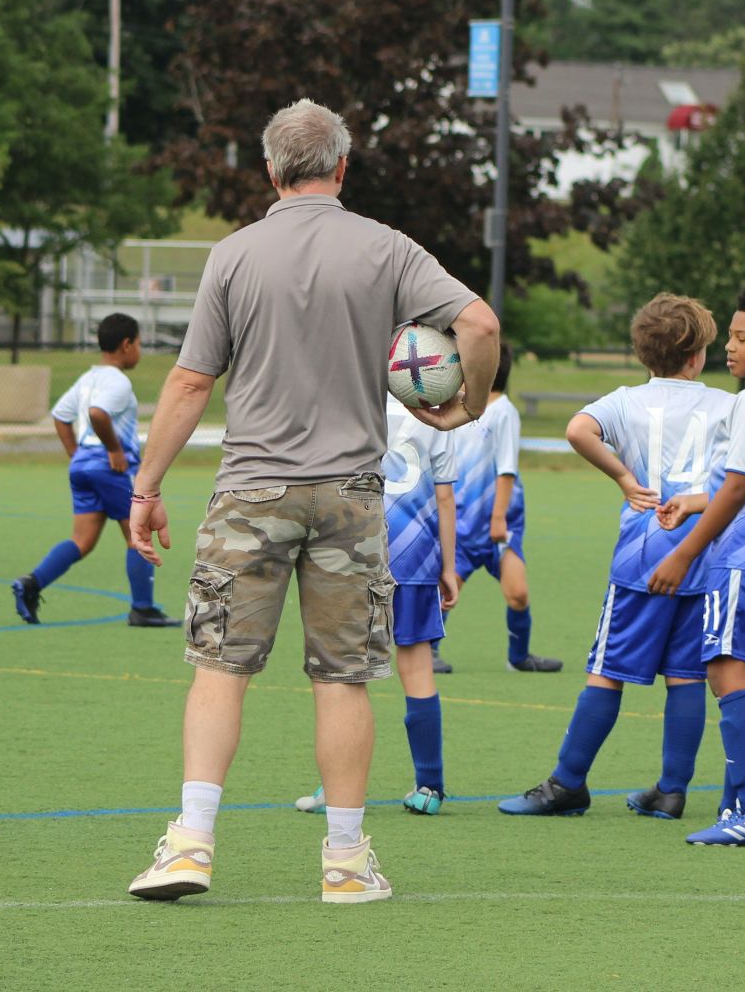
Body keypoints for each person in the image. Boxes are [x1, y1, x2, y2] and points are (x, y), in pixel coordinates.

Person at [122, 99, 499, 904]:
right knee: (343, 678)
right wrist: (468, 403)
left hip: (249, 490)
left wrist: (147, 486)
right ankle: (344, 861)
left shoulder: (233, 254)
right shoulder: (386, 248)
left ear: (269, 170)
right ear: (343, 166)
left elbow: (191, 382)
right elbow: (479, 319)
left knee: (220, 669)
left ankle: (190, 844)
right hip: (351, 494)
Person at [497, 294, 731, 820]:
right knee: (687, 676)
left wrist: (626, 478)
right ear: (697, 356)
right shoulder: (725, 405)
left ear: (644, 355)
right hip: (702, 553)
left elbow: (578, 429)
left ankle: (567, 783)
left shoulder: (625, 400)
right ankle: (671, 790)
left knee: (607, 670)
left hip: (644, 557)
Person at [649, 284, 745, 847]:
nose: (730, 347)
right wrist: (694, 501)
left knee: (721, 667)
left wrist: (683, 552)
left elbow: (739, 487)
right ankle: (737, 801)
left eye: (744, 337)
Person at [297, 396, 462, 816]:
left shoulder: (353, 399)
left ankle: (335, 789)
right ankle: (430, 786)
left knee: (344, 672)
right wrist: (448, 565)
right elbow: (444, 499)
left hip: (355, 548)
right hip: (418, 555)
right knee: (418, 667)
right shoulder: (439, 415)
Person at [10, 313, 175, 629]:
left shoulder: (88, 378)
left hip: (83, 468)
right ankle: (143, 608)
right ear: (127, 345)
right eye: (138, 343)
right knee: (137, 534)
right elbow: (98, 414)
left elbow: (60, 415)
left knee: (82, 541)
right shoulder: (118, 381)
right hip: (108, 468)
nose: (139, 350)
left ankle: (31, 583)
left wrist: (77, 454)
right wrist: (113, 450)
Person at [450, 343, 560, 673]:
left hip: (499, 526)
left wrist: (498, 518)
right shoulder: (457, 410)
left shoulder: (504, 412)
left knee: (518, 594)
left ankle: (519, 657)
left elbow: (506, 470)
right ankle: (430, 651)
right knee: (447, 591)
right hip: (462, 524)